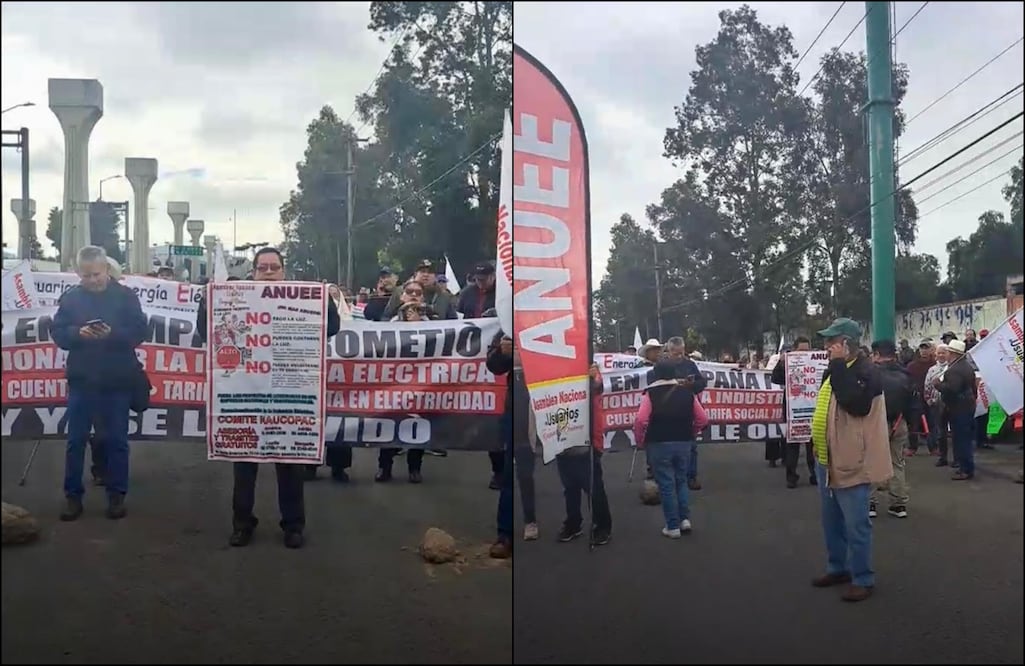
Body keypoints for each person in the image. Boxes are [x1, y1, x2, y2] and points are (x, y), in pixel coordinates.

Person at [196, 247, 341, 548]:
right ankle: (242, 523)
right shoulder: (236, 297)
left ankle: (293, 525)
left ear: (284, 270)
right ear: (254, 271)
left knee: (290, 463)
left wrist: (322, 300)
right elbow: (205, 332)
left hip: (288, 393)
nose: (269, 272)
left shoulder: (299, 296)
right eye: (263, 268)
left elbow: (333, 328)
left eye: (274, 267)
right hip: (245, 391)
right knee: (244, 463)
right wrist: (209, 302)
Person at [51, 245, 148, 521]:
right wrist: (77, 333)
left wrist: (112, 334)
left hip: (117, 380)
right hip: (82, 380)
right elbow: (58, 332)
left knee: (117, 441)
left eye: (96, 274)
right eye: (85, 276)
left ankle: (117, 496)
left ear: (107, 269)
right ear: (77, 273)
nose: (92, 280)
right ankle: (72, 497)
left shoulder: (126, 297)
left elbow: (140, 331)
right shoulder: (71, 298)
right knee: (75, 441)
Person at [809, 318, 892, 603]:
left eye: (831, 341)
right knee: (831, 519)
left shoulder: (866, 371)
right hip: (826, 457)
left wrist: (837, 366)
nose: (826, 346)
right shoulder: (836, 369)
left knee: (856, 523)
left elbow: (855, 404)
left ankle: (862, 577)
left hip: (851, 458)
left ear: (846, 344)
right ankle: (838, 567)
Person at [633, 361, 708, 537]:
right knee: (681, 480)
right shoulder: (688, 393)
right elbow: (703, 419)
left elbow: (641, 420)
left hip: (659, 443)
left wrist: (641, 440)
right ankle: (684, 519)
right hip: (684, 442)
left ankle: (672, 525)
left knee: (666, 484)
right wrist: (692, 432)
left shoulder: (650, 394)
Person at [554, 364, 613, 545]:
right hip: (563, 441)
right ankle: (573, 523)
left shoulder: (590, 369)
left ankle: (602, 526)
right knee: (570, 488)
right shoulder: (554, 372)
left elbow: (598, 386)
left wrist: (591, 377)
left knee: (594, 488)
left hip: (587, 443)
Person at [869, 339, 923, 519]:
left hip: (874, 423)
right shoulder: (906, 375)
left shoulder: (870, 375)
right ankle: (898, 504)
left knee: (870, 462)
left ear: (876, 355)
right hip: (899, 423)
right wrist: (912, 426)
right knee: (897, 463)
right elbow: (915, 404)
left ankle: (870, 503)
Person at [771, 336, 817, 488]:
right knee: (792, 444)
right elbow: (776, 378)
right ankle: (791, 477)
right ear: (795, 350)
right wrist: (782, 362)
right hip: (793, 409)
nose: (804, 354)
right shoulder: (788, 363)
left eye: (807, 350)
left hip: (812, 408)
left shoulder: (815, 363)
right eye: (801, 351)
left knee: (813, 443)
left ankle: (815, 474)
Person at [486, 330, 515, 558]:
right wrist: (502, 352)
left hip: (551, 404)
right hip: (516, 409)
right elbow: (494, 365)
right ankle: (505, 534)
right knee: (510, 475)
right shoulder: (506, 324)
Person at [933, 339, 977, 481]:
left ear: (952, 353)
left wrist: (938, 385)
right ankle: (964, 466)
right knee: (964, 438)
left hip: (958, 408)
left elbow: (952, 389)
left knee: (961, 439)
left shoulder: (954, 370)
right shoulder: (966, 367)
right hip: (967, 406)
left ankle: (965, 469)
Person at [382, 259, 456, 320]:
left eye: (430, 272)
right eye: (422, 271)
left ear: (435, 276)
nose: (426, 275)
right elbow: (386, 317)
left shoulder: (444, 296)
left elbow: (454, 322)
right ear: (415, 274)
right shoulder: (399, 292)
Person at [904, 339, 937, 456]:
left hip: (930, 399)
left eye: (926, 348)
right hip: (915, 398)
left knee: (932, 423)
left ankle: (933, 447)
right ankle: (912, 447)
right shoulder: (912, 366)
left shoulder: (935, 366)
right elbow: (906, 380)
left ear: (931, 350)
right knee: (913, 423)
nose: (924, 351)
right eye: (922, 348)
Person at [925, 344, 952, 466]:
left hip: (950, 403)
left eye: (944, 352)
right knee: (940, 432)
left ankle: (956, 459)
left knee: (953, 432)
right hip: (936, 404)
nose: (941, 355)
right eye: (939, 353)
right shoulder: (932, 370)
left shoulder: (951, 368)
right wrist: (928, 399)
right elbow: (927, 385)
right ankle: (942, 456)